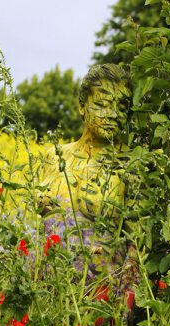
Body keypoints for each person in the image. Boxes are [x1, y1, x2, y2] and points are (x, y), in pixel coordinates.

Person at [38, 64, 137, 301]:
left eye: (121, 108)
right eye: (102, 105)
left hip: (100, 300)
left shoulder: (131, 166)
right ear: (82, 107)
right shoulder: (55, 157)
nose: (112, 114)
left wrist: (123, 302)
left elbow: (138, 247)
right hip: (50, 295)